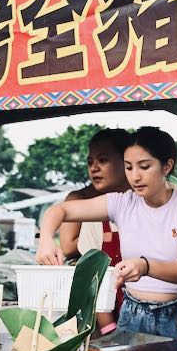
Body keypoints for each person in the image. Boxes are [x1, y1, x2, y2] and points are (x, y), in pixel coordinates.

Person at [36, 127, 177, 351]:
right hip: (132, 314)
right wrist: (47, 238)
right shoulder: (122, 203)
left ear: (167, 166)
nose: (135, 176)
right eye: (129, 167)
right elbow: (59, 211)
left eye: (144, 167)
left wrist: (145, 266)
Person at [58, 128, 132, 334]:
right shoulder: (83, 201)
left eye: (103, 160)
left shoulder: (142, 202)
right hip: (100, 303)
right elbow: (68, 247)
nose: (95, 168)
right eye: (90, 162)